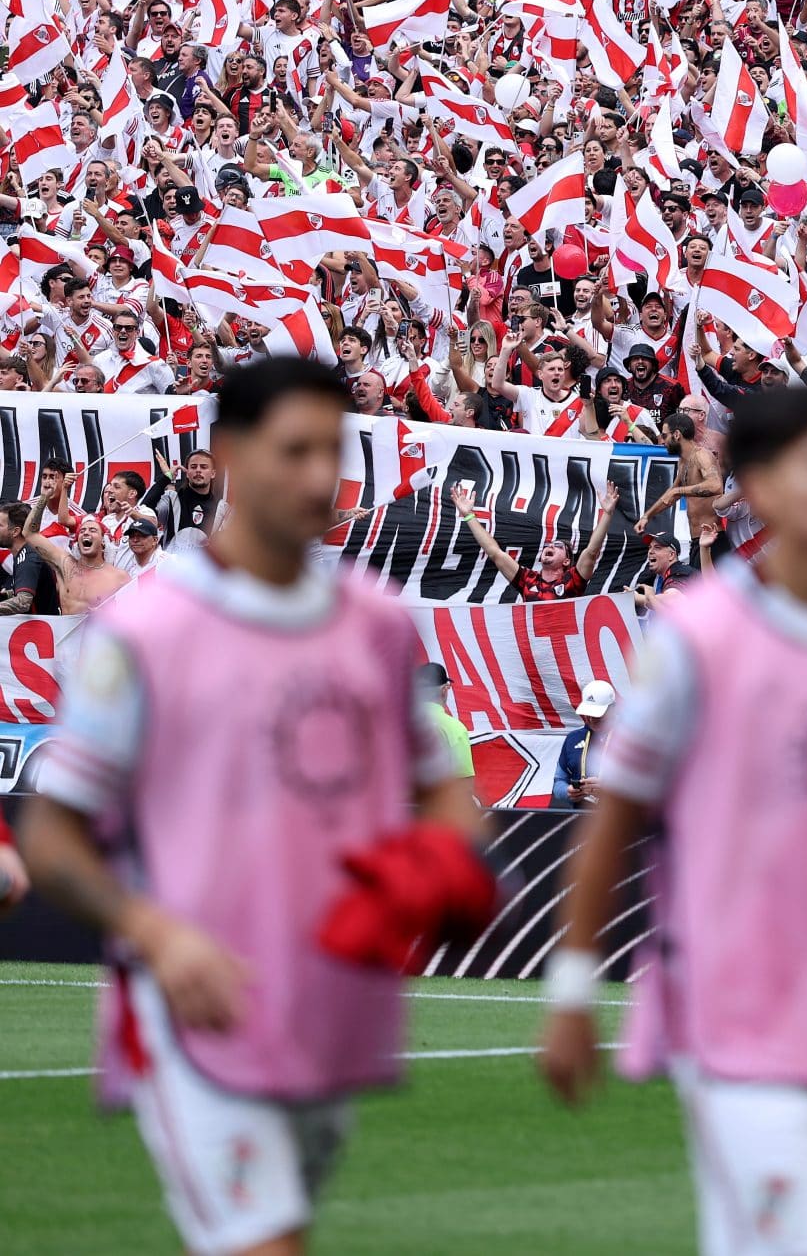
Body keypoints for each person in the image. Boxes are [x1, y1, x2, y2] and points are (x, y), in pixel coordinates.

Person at [17, 357, 495, 1256]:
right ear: (230, 454)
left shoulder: (376, 623)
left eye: (334, 451)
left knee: (280, 1230)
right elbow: (53, 828)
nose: (321, 476)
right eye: (294, 451)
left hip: (330, 992)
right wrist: (158, 934)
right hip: (194, 994)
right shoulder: (148, 630)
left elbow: (444, 799)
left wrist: (440, 862)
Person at [538, 387, 807, 1256]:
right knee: (800, 1233)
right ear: (761, 488)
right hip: (730, 996)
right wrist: (570, 990)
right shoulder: (697, 636)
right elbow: (616, 811)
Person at [452, 481, 619, 600]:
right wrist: (469, 515)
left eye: (558, 546)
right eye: (549, 544)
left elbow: (591, 552)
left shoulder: (573, 579)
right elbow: (495, 553)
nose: (551, 545)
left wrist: (608, 514)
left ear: (567, 561)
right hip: (533, 648)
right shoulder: (527, 579)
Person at [417, 663, 476, 800]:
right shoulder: (454, 728)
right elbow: (465, 786)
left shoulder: (394, 726)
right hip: (436, 810)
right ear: (444, 690)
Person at [552, 681, 615, 807]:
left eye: (597, 714)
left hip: (619, 820)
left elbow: (647, 787)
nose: (590, 719)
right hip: (580, 819)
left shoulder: (631, 739)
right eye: (588, 713)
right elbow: (558, 781)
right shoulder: (573, 738)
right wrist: (568, 792)